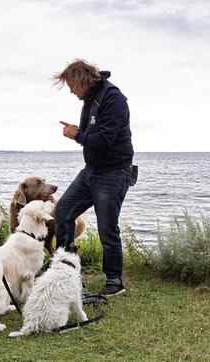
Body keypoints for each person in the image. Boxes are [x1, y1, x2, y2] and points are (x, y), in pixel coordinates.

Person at [53, 59, 134, 297]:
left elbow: (104, 140)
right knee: (63, 211)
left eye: (72, 85)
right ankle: (66, 271)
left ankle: (115, 280)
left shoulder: (114, 99)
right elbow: (93, 134)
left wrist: (76, 134)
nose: (71, 90)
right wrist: (80, 132)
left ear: (82, 80)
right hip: (91, 170)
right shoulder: (90, 98)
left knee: (107, 229)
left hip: (114, 171)